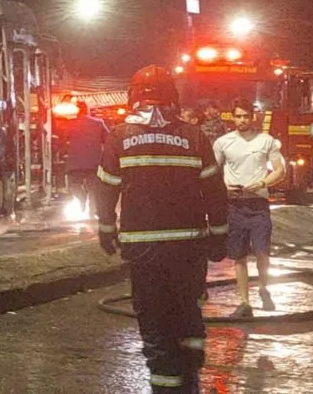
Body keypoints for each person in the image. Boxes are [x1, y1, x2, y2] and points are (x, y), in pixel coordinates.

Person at [95, 65, 228, 393]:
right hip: (189, 246)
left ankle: (166, 383)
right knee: (186, 306)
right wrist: (220, 233)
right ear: (173, 97)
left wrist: (106, 228)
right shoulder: (195, 136)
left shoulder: (119, 136)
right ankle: (191, 366)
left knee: (155, 320)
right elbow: (214, 189)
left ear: (134, 96)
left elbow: (106, 187)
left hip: (144, 247)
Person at [213, 98, 285, 318]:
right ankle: (244, 302)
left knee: (262, 251)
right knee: (239, 256)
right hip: (234, 206)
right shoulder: (223, 142)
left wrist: (262, 183)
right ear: (232, 117)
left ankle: (264, 287)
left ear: (253, 117)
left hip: (258, 205)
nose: (242, 120)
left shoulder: (266, 141)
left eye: (246, 116)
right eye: (238, 116)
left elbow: (280, 170)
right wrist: (224, 186)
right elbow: (214, 172)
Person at [63, 99, 109, 212]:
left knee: (74, 185)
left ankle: (81, 197)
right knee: (93, 188)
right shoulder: (98, 123)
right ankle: (92, 212)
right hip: (94, 162)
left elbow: (63, 140)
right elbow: (108, 139)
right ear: (88, 110)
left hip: (74, 163)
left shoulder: (70, 124)